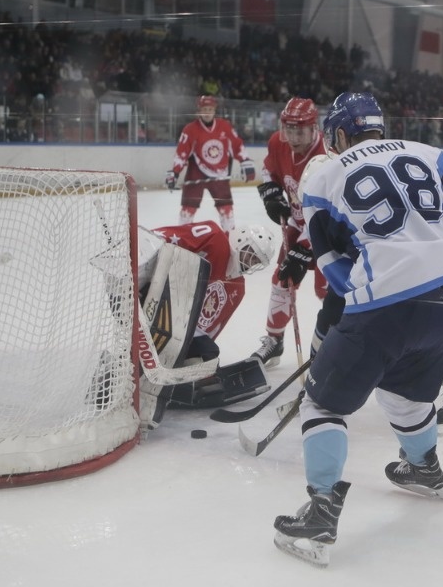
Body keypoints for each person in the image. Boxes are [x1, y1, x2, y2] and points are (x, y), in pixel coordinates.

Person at [272, 92, 443, 567]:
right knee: (405, 394)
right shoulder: (428, 152)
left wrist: (370, 289)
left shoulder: (324, 174)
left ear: (341, 133)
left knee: (322, 401)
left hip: (386, 301)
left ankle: (320, 513)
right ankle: (424, 468)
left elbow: (332, 263)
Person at [137, 220, 275, 430]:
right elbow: (163, 237)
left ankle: (168, 385)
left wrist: (187, 355)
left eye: (256, 261)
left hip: (180, 324)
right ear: (240, 239)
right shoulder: (214, 237)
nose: (250, 262)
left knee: (206, 358)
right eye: (250, 253)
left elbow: (207, 329)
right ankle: (148, 375)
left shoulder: (238, 288)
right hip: (155, 301)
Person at [251, 97, 330, 368]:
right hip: (298, 222)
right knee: (281, 279)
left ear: (314, 128)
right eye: (289, 129)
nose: (293, 137)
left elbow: (327, 213)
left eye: (300, 130)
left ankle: (338, 342)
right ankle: (274, 341)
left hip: (329, 231)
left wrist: (305, 250)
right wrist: (271, 193)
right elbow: (268, 169)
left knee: (329, 290)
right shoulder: (278, 143)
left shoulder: (327, 158)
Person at [165, 95, 255, 231]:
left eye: (210, 109)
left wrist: (245, 161)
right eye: (204, 109)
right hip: (196, 173)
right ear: (199, 111)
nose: (207, 112)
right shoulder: (190, 129)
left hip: (220, 174)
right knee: (187, 210)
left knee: (226, 210)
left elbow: (237, 145)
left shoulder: (224, 126)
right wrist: (175, 171)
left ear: (214, 111)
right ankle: (182, 239)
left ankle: (229, 238)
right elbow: (182, 153)